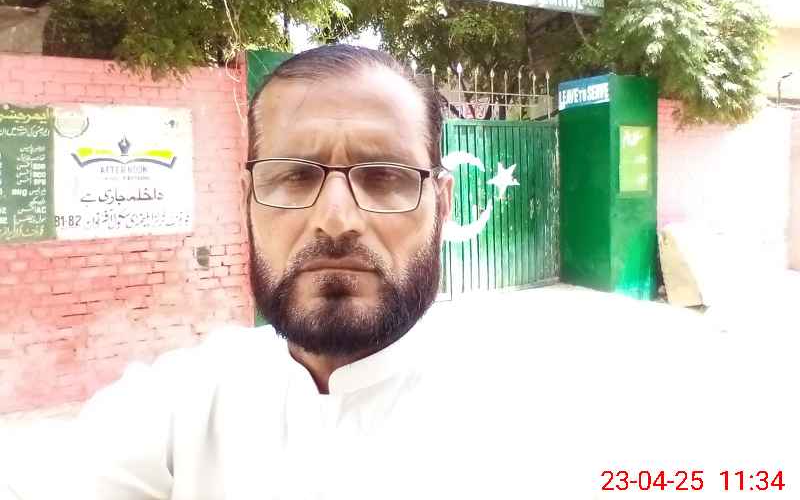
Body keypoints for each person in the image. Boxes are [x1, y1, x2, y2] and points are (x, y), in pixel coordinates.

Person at [2, 45, 796, 500]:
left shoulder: (549, 423)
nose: (336, 218)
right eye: (294, 175)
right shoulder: (178, 406)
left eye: (383, 177)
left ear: (441, 204)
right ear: (247, 200)